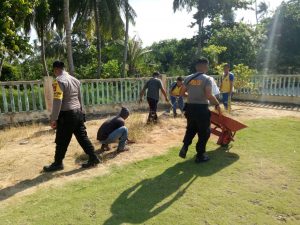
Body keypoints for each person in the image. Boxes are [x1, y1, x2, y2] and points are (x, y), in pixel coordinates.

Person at [43, 61, 100, 172]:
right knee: (82, 137)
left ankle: (58, 163)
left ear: (56, 70)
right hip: (78, 112)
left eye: (54, 71)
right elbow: (80, 98)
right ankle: (93, 157)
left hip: (67, 115)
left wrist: (54, 118)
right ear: (63, 68)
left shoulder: (58, 81)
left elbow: (57, 100)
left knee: (61, 140)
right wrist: (82, 112)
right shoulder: (75, 80)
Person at [179, 58, 221, 163]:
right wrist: (217, 104)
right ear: (205, 66)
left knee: (191, 129)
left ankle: (185, 146)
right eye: (207, 66)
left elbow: (182, 93)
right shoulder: (207, 79)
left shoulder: (188, 78)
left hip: (189, 108)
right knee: (204, 132)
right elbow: (208, 95)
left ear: (196, 66)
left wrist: (191, 95)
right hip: (201, 109)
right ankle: (200, 155)